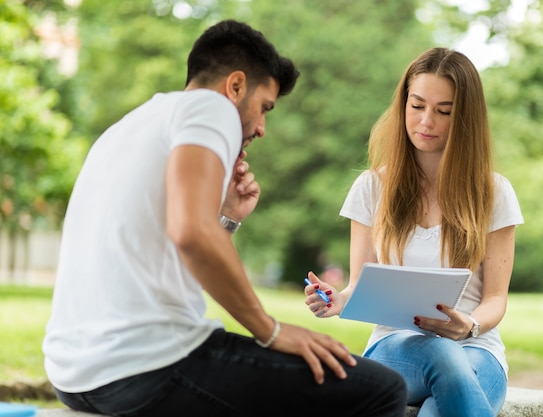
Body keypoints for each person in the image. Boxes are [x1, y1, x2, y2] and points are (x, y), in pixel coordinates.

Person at [43, 20, 407, 417]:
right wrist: (272, 331)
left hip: (76, 376)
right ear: (235, 87)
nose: (263, 128)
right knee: (381, 389)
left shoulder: (128, 126)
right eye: (264, 107)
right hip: (147, 367)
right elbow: (192, 234)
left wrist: (228, 218)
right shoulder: (211, 107)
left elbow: (180, 253)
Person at [304, 47, 524, 417]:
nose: (426, 121)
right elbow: (359, 283)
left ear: (465, 118)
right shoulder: (372, 187)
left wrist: (468, 326)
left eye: (443, 111)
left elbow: (495, 299)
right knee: (441, 353)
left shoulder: (494, 192)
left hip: (477, 350)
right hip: (395, 348)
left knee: (440, 404)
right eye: (417, 105)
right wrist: (337, 300)